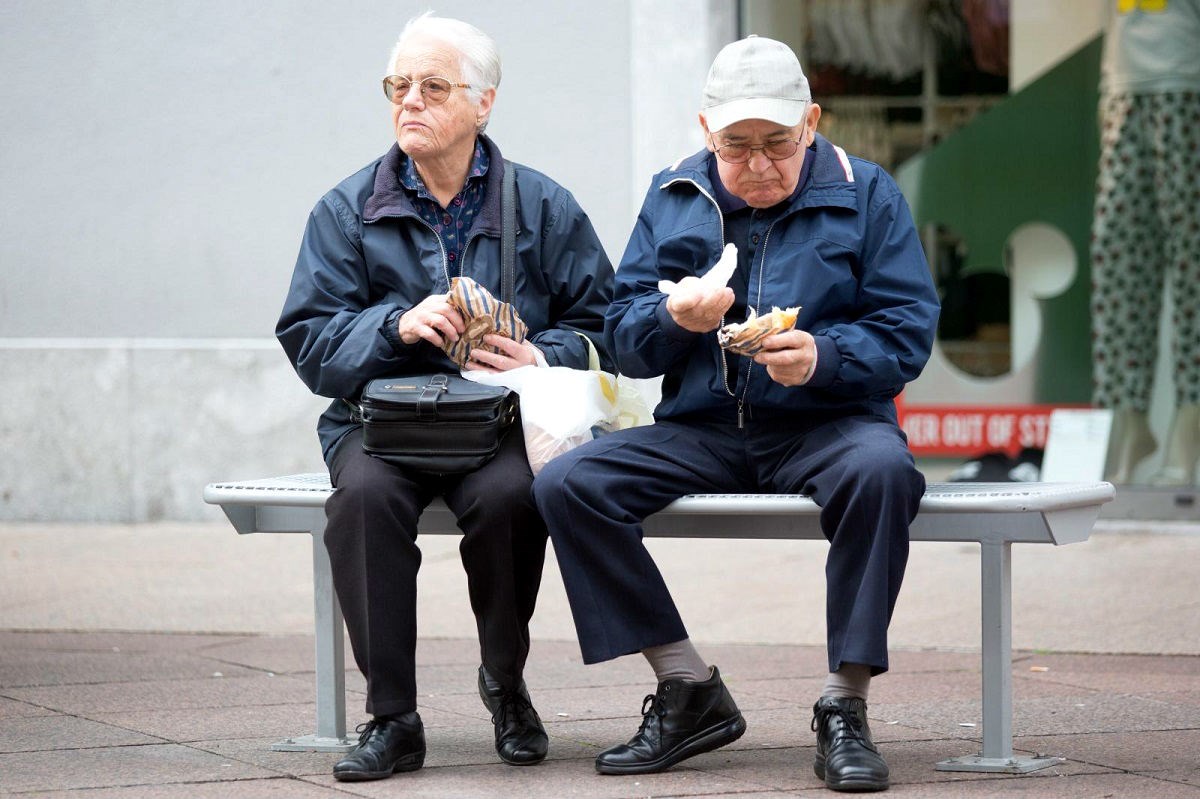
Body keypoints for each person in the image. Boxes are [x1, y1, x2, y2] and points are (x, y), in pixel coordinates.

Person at [533, 35, 939, 793]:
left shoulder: (867, 191)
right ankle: (687, 687)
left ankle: (845, 702)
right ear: (704, 130)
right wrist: (673, 320)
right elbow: (620, 335)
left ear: (811, 123)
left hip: (830, 424)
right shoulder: (674, 193)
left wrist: (822, 356)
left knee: (884, 469)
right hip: (704, 426)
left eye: (777, 145)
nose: (757, 166)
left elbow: (907, 329)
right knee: (567, 482)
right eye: (736, 147)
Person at [276, 12, 614, 782]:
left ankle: (504, 681)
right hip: (379, 421)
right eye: (398, 86)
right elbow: (310, 341)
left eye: (433, 86)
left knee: (510, 499)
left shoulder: (542, 205)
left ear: (483, 103)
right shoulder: (346, 209)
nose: (410, 103)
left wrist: (537, 350)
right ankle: (392, 716)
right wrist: (397, 324)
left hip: (495, 420)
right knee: (360, 500)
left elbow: (606, 325)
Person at [1090, 0, 1200, 486]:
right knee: (1117, 264)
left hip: (1187, 89)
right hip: (1123, 90)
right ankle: (1131, 420)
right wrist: (1106, 89)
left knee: (1193, 266)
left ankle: (1190, 419)